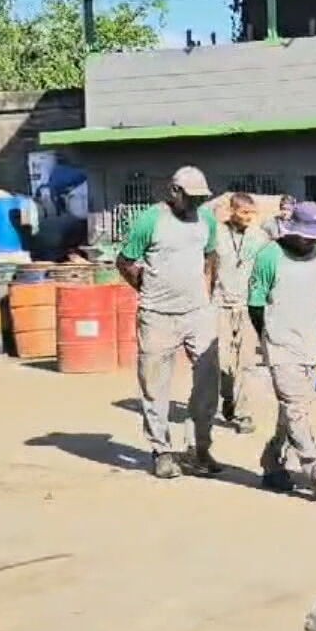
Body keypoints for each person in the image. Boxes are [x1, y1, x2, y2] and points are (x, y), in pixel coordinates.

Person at [116, 166, 223, 480]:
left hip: (197, 312)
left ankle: (199, 448)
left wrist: (208, 290)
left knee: (208, 380)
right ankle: (161, 450)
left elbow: (211, 255)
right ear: (174, 192)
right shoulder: (151, 220)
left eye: (201, 199)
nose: (196, 205)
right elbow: (124, 261)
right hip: (157, 315)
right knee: (155, 385)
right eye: (191, 198)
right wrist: (146, 288)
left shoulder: (206, 220)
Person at [248, 201, 316, 495]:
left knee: (295, 410)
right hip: (280, 344)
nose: (311, 241)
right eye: (306, 236)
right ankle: (315, 467)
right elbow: (255, 304)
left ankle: (273, 463)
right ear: (290, 230)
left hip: (310, 341)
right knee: (294, 408)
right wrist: (268, 337)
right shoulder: (269, 256)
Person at [212, 192, 265, 434]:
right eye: (244, 213)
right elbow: (207, 269)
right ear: (232, 211)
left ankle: (244, 414)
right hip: (220, 305)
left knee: (246, 363)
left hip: (247, 307)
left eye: (251, 214)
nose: (248, 218)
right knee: (223, 362)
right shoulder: (216, 235)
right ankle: (228, 398)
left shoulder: (260, 237)